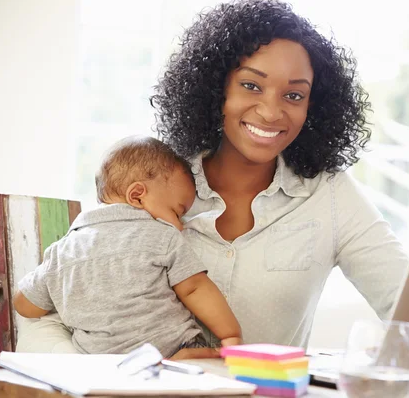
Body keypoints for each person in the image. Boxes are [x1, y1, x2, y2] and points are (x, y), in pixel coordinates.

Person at [17, 0, 409, 358]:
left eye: (294, 95)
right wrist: (115, 379)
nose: (272, 113)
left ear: (314, 106)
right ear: (215, 88)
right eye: (251, 85)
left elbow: (408, 302)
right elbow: (52, 312)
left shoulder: (332, 195)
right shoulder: (153, 183)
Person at [13, 136, 242, 358]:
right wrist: (231, 335)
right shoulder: (162, 236)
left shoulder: (63, 251)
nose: (180, 226)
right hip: (174, 350)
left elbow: (25, 305)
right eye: (177, 212)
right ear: (137, 195)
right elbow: (194, 288)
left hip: (103, 365)